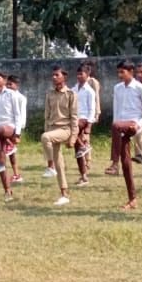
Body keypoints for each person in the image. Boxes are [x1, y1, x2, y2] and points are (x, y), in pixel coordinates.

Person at [111, 60, 142, 211]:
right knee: (126, 163)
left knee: (116, 126)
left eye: (122, 72)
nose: (119, 75)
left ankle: (114, 164)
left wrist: (139, 124)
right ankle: (132, 199)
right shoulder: (117, 88)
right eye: (118, 72)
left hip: (134, 124)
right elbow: (116, 110)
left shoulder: (140, 88)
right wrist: (116, 128)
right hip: (120, 127)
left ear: (130, 72)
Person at [40, 66, 79, 206]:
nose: (54, 77)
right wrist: (47, 129)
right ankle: (64, 193)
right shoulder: (49, 94)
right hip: (52, 130)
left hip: (65, 129)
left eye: (57, 75)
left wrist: (73, 137)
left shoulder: (71, 94)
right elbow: (47, 115)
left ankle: (50, 167)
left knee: (45, 137)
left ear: (64, 77)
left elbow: (74, 117)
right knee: (59, 163)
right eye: (53, 75)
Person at [0, 71, 24, 202]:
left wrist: (17, 133)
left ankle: (0, 160)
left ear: (4, 79)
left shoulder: (11, 94)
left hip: (9, 126)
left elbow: (17, 114)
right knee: (1, 160)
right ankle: (7, 190)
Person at [72, 65, 98, 187]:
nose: (79, 76)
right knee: (78, 150)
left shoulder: (89, 91)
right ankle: (83, 176)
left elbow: (92, 109)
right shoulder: (73, 89)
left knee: (71, 129)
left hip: (83, 119)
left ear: (87, 75)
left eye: (81, 74)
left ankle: (84, 145)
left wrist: (89, 125)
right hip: (74, 119)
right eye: (77, 74)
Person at [6, 75, 27, 184]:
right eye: (7, 84)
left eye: (11, 84)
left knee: (11, 151)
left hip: (14, 127)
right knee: (9, 152)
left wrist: (18, 131)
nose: (8, 86)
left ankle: (16, 174)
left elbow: (22, 115)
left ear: (17, 85)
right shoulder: (5, 96)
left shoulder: (21, 98)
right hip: (6, 126)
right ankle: (15, 174)